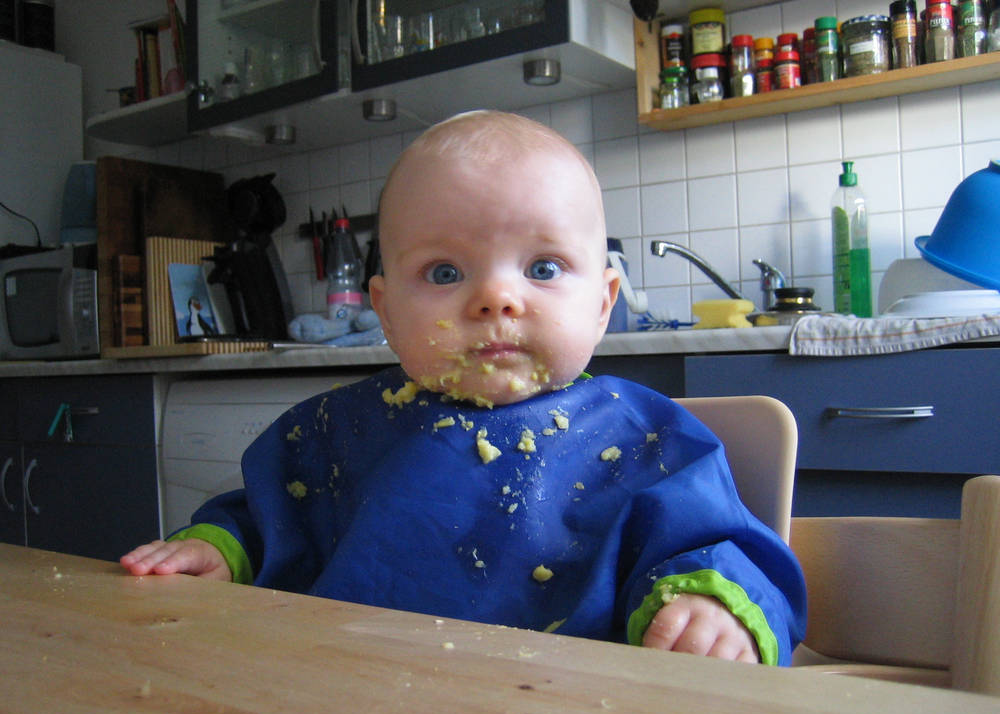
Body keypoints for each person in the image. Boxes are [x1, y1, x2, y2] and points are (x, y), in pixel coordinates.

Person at [121, 111, 806, 665]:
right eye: (445, 273)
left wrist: (712, 609)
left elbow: (723, 549)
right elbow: (262, 519)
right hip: (339, 701)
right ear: (386, 311)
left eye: (543, 267)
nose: (496, 297)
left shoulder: (648, 442)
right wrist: (218, 550)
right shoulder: (333, 432)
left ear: (603, 304)